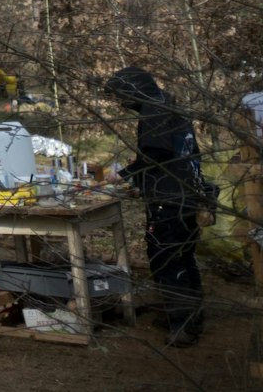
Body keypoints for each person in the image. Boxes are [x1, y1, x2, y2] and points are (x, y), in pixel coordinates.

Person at [104, 66, 207, 347]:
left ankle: (182, 325)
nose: (122, 102)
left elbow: (155, 155)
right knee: (184, 257)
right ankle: (191, 316)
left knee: (167, 260)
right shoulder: (169, 105)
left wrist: (123, 174)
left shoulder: (153, 112)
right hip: (187, 194)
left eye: (122, 96)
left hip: (169, 201)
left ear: (134, 90)